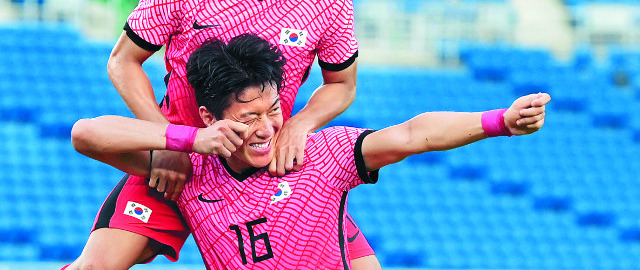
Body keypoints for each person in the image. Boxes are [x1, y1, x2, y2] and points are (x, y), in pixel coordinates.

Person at [70, 34, 550, 269]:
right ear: (211, 121)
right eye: (248, 118)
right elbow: (87, 135)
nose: (265, 128)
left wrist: (497, 122)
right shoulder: (193, 170)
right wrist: (187, 140)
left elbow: (409, 135)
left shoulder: (320, 154)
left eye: (273, 110)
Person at [68, 0, 380, 268]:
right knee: (97, 265)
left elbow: (342, 84)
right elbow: (122, 61)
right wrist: (169, 141)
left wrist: (299, 124)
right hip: (180, 166)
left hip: (261, 164)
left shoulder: (329, 5)